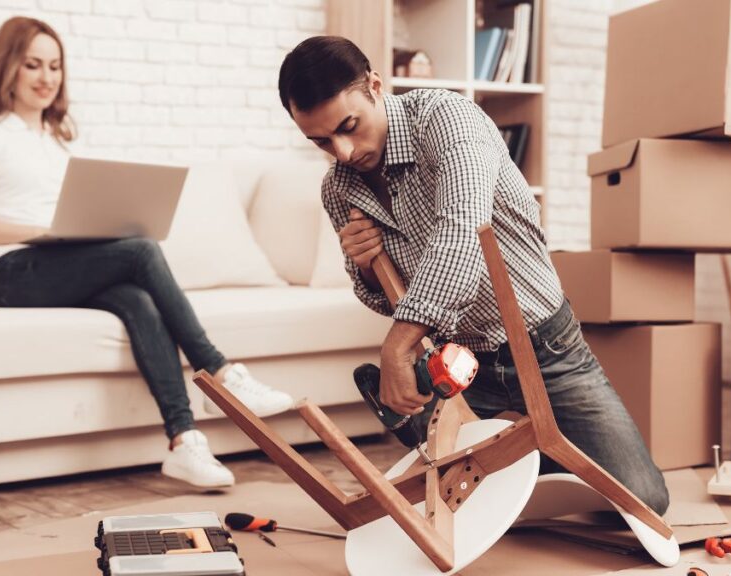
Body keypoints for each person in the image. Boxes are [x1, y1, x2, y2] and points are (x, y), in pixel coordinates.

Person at [277, 36, 669, 514]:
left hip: (544, 347)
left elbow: (462, 237)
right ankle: (504, 452)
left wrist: (396, 346)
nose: (341, 151)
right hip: (460, 363)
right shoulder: (339, 189)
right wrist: (364, 267)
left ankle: (526, 452)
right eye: (320, 141)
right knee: (454, 503)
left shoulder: (448, 120)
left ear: (375, 86)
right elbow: (383, 299)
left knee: (644, 500)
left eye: (349, 127)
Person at [0, 16, 294, 489]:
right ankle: (220, 371)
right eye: (33, 64)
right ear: (7, 67)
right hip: (10, 269)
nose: (46, 77)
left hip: (55, 260)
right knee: (140, 250)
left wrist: (80, 229)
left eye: (54, 65)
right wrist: (43, 231)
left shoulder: (56, 141)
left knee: (137, 298)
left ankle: (183, 441)